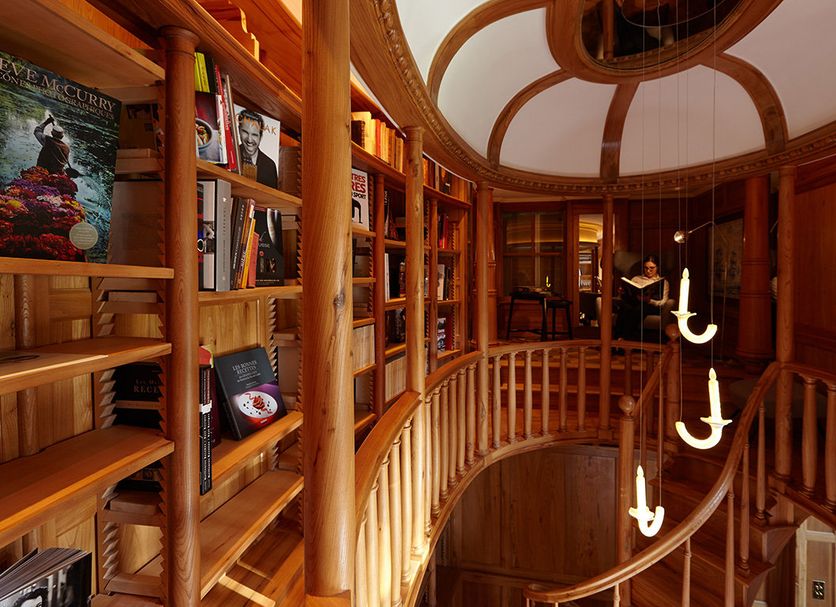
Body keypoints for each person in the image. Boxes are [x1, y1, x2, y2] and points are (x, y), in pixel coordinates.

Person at [614, 253, 671, 340]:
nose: (648, 271)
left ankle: (625, 337)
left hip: (651, 306)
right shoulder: (636, 279)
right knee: (625, 307)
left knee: (639, 308)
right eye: (646, 268)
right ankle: (616, 337)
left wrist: (649, 300)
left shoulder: (663, 282)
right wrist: (622, 293)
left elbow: (663, 302)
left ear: (657, 267)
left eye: (652, 268)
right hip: (634, 303)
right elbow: (628, 295)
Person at [237, 109, 278, 189]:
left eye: (254, 135)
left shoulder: (270, 166)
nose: (249, 140)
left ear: (260, 136)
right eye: (245, 132)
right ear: (239, 130)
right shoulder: (229, 157)